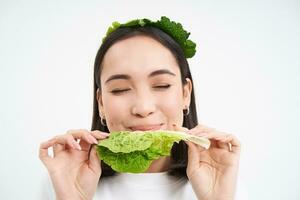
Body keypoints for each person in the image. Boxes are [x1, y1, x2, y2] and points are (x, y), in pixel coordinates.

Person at [39, 16, 243, 200]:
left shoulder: (224, 181)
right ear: (101, 103)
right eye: (120, 89)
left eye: (162, 85)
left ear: (185, 94)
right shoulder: (64, 181)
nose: (143, 108)